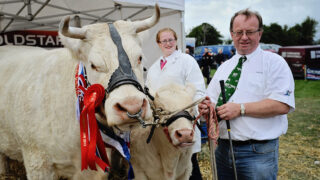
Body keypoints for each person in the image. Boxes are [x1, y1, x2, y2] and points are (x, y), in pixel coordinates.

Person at [198, 8, 295, 180]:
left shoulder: (275, 63)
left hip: (258, 153)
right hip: (223, 149)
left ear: (260, 34)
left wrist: (241, 109)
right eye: (239, 32)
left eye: (250, 32)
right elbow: (211, 99)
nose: (244, 37)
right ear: (232, 34)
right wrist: (207, 107)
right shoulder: (224, 67)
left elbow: (282, 104)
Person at [146, 28, 206, 180]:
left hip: (182, 124)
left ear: (176, 40)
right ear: (158, 44)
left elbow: (198, 91)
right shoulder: (153, 68)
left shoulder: (187, 61)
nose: (168, 43)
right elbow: (149, 96)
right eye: (164, 41)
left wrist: (193, 111)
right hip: (162, 128)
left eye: (171, 39)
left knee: (188, 168)